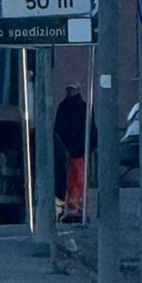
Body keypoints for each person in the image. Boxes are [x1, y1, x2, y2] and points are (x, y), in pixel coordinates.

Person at [54, 82, 96, 222]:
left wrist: (90, 145)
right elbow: (58, 128)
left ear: (77, 90)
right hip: (69, 151)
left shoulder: (83, 107)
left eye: (72, 90)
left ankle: (77, 209)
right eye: (68, 89)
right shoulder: (68, 107)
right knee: (70, 180)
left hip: (78, 152)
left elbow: (90, 127)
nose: (70, 92)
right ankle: (72, 208)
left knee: (78, 180)